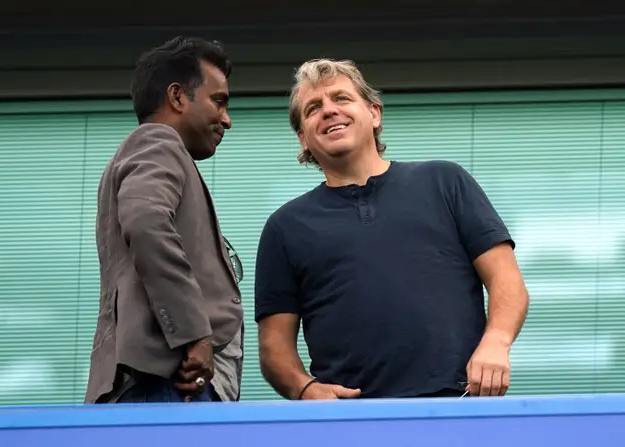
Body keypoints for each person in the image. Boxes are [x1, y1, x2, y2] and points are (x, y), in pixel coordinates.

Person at [254, 58, 530, 400]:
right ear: (303, 139)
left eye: (341, 98)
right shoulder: (284, 227)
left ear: (374, 114)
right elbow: (274, 347)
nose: (328, 110)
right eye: (313, 108)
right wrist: (305, 389)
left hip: (458, 403)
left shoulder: (445, 182)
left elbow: (507, 280)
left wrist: (496, 342)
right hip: (351, 416)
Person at [84, 36, 244, 404]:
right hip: (163, 381)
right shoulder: (157, 141)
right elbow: (147, 223)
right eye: (218, 101)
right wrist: (194, 334)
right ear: (177, 97)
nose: (227, 119)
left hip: (161, 383)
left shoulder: (153, 152)